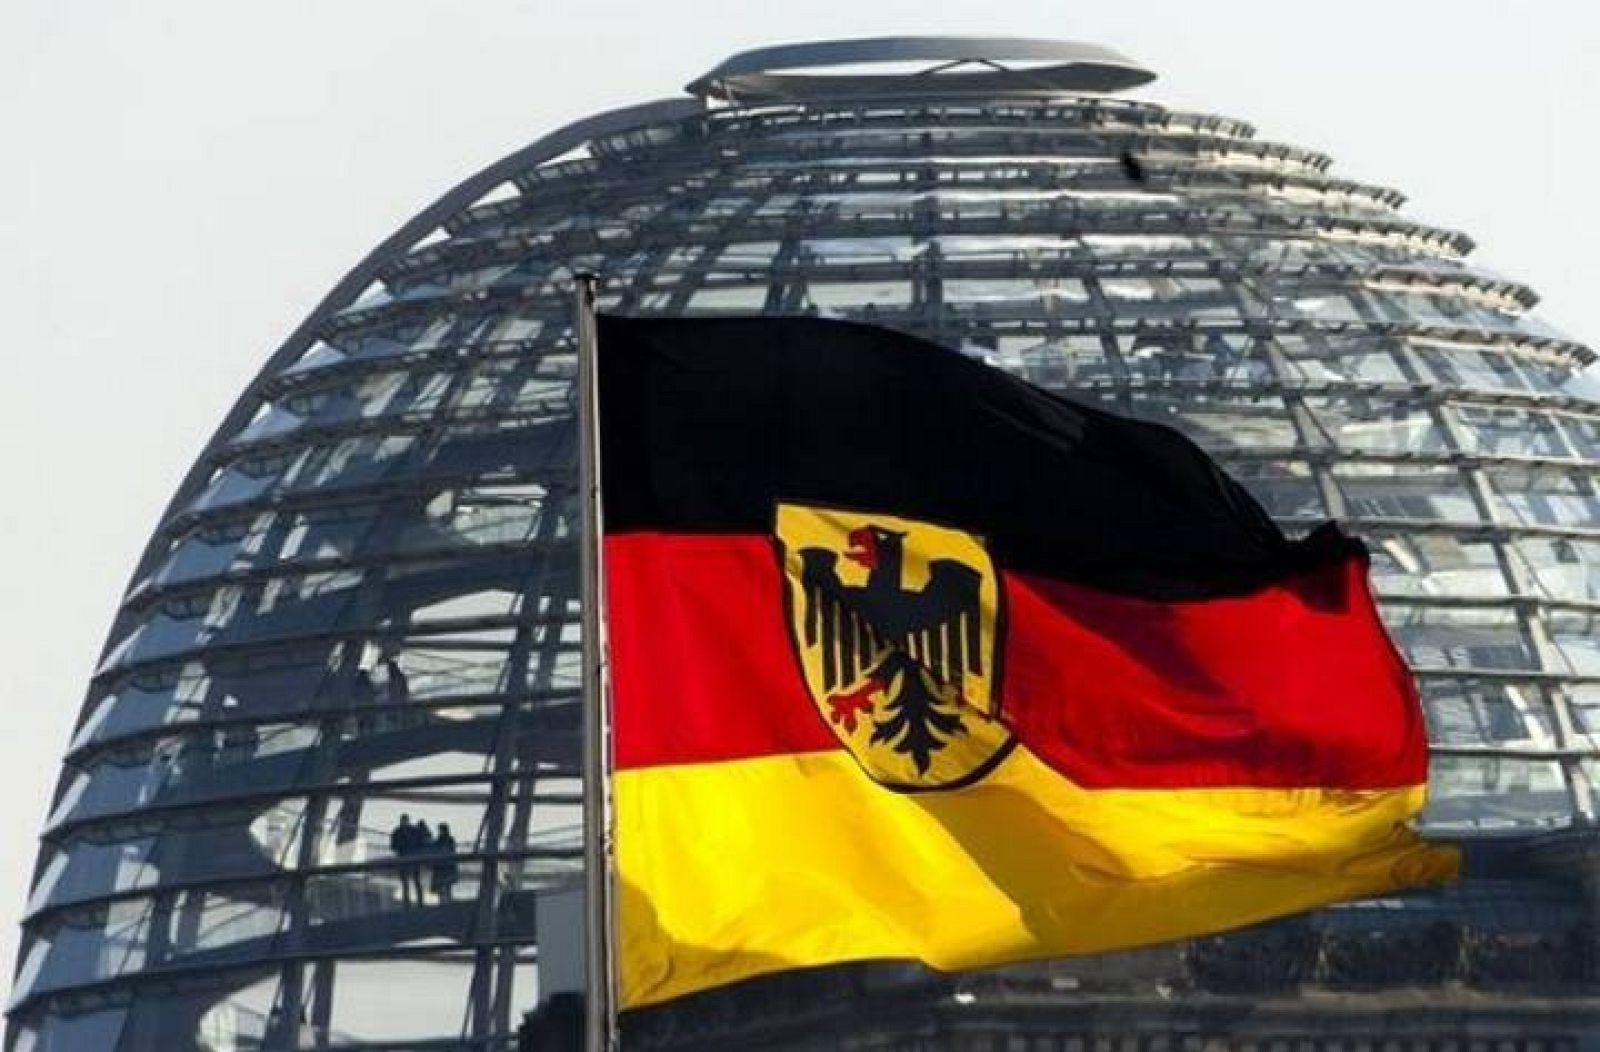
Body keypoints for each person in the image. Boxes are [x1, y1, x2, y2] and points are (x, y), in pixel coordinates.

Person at [389, 814, 423, 906]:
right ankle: (411, 901)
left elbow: (393, 846)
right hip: (408, 858)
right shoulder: (413, 831)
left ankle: (415, 901)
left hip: (407, 858)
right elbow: (393, 846)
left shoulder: (398, 831)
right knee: (408, 881)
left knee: (412, 881)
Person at [430, 823, 460, 904]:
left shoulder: (441, 840)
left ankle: (444, 902)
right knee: (445, 886)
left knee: (445, 886)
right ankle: (445, 902)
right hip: (445, 866)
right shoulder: (448, 839)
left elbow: (436, 852)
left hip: (443, 866)